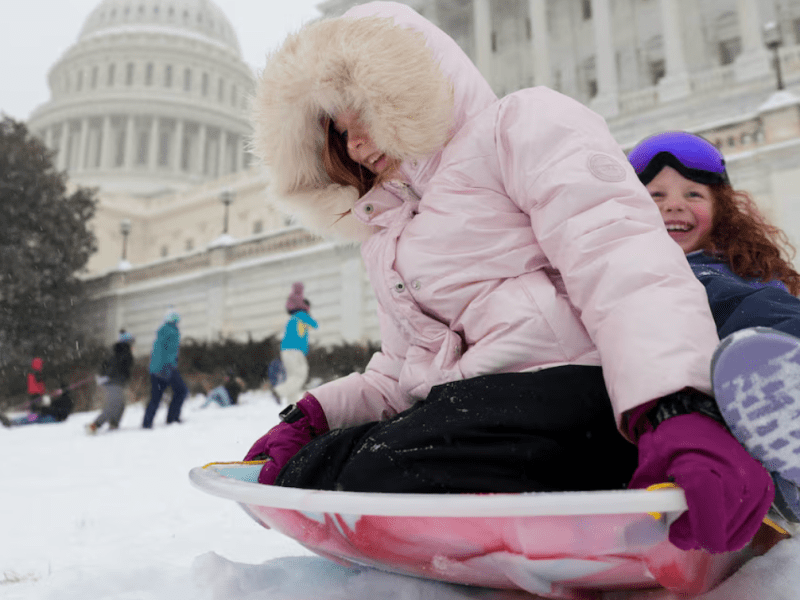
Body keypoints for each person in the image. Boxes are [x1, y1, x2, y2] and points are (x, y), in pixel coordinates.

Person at [243, 2, 773, 555]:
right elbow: (405, 369)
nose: (354, 144)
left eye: (361, 114)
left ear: (406, 83)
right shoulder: (388, 233)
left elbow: (621, 261)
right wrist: (315, 416)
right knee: (335, 466)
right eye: (339, 132)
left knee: (366, 473)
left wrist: (675, 405)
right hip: (473, 409)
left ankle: (669, 464)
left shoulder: (519, 126)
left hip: (574, 393)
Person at [628, 130, 800, 522]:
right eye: (656, 196)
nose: (674, 205)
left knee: (755, 304)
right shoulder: (643, 272)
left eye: (693, 194)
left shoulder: (745, 271)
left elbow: (774, 308)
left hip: (754, 366)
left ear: (720, 209)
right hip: (691, 389)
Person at [272, 283, 318, 405]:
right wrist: (308, 313)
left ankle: (292, 405)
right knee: (300, 375)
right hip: (295, 351)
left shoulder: (292, 318)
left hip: (286, 351)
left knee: (293, 377)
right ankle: (279, 391)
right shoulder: (302, 316)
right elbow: (315, 325)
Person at [143, 308, 188, 428]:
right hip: (166, 368)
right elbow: (168, 352)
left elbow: (158, 352)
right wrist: (168, 366)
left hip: (155, 368)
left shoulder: (162, 331)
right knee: (181, 391)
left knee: (156, 396)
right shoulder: (172, 332)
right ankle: (172, 418)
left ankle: (147, 422)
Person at [86, 330, 136, 434]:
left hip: (115, 382)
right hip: (113, 382)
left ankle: (114, 423)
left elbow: (108, 365)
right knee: (114, 404)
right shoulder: (124, 353)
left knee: (121, 404)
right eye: (131, 342)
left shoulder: (117, 352)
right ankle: (95, 425)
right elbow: (115, 366)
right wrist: (106, 375)